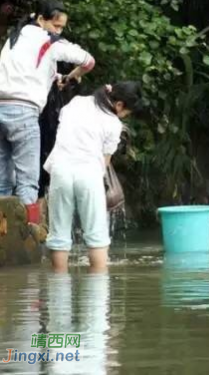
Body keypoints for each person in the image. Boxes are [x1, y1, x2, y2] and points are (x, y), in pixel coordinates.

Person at [0, 0, 95, 224]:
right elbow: (88, 62)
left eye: (62, 28)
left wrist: (57, 77)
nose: (59, 31)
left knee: (1, 181)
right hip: (23, 114)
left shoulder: (14, 38)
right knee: (28, 183)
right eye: (56, 26)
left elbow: (29, 70)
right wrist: (71, 76)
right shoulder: (51, 41)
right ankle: (31, 238)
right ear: (41, 19)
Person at [44, 81, 141, 273]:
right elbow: (104, 164)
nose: (124, 116)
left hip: (60, 170)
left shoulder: (76, 103)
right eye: (126, 113)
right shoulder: (114, 124)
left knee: (59, 236)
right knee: (97, 238)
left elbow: (62, 126)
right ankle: (96, 295)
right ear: (119, 105)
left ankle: (59, 293)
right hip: (88, 174)